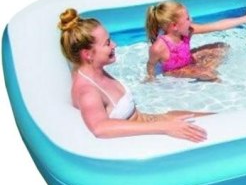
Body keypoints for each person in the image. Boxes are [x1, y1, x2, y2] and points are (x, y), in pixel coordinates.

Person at [58, 8, 209, 142]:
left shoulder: (92, 70)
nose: (114, 44)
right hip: (150, 129)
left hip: (151, 118)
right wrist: (164, 127)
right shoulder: (87, 92)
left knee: (211, 118)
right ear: (88, 54)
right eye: (107, 43)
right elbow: (100, 128)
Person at [146, 1, 246, 81]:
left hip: (187, 60)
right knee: (209, 74)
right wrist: (151, 78)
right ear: (174, 26)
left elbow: (216, 26)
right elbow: (151, 64)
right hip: (175, 71)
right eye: (187, 18)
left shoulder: (187, 31)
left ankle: (201, 67)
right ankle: (208, 73)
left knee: (221, 47)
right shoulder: (158, 48)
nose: (191, 19)